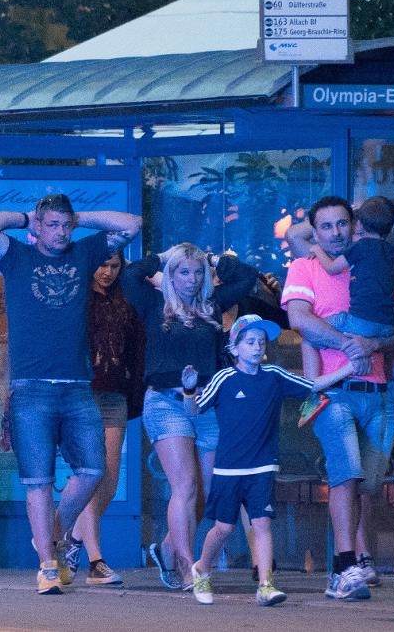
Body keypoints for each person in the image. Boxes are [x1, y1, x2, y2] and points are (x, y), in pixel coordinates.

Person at [0, 193, 141, 595]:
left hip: (78, 386)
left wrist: (79, 218)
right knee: (38, 481)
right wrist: (27, 216)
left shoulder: (82, 253)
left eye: (66, 225)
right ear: (38, 227)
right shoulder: (15, 256)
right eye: (53, 225)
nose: (61, 232)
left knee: (93, 470)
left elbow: (131, 224)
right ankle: (48, 563)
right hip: (30, 388)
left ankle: (53, 534)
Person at [281, 195, 394, 600]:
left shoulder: (372, 261)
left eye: (343, 224)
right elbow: (299, 319)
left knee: (368, 485)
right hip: (331, 392)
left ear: (354, 227)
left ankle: (359, 558)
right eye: (327, 226)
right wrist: (348, 345)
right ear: (315, 234)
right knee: (347, 474)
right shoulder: (306, 266)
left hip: (379, 391)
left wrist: (371, 345)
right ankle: (343, 567)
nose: (336, 232)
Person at [189, 314, 354, 606]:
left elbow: (312, 385)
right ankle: (202, 568)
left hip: (263, 466)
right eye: (249, 341)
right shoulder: (223, 378)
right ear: (235, 347)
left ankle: (266, 585)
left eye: (260, 342)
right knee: (224, 528)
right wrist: (189, 390)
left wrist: (350, 367)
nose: (256, 347)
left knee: (262, 523)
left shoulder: (275, 375)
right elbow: (196, 407)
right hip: (228, 468)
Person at [121, 243, 259, 590]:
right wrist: (164, 256)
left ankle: (166, 548)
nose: (192, 279)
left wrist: (211, 259)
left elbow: (247, 276)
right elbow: (130, 274)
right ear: (170, 275)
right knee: (184, 486)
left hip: (206, 403)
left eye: (197, 273)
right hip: (167, 403)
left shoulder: (211, 305)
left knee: (209, 490)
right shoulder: (153, 303)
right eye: (184, 271)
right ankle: (186, 567)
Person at [66, 253, 144, 586]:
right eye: (101, 264)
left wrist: (135, 390)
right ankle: (96, 561)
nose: (107, 272)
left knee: (109, 481)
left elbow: (137, 348)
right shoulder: (77, 297)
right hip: (84, 393)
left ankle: (70, 539)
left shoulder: (126, 300)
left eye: (114, 266)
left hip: (116, 394)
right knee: (91, 473)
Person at [306, 196, 394, 422]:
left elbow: (330, 268)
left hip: (361, 321)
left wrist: (317, 248)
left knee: (313, 332)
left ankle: (312, 395)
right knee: (391, 354)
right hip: (388, 323)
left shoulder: (359, 248)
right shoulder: (391, 252)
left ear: (358, 224)